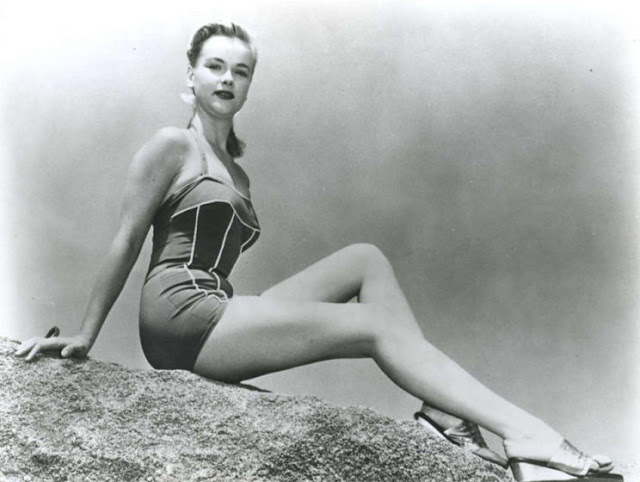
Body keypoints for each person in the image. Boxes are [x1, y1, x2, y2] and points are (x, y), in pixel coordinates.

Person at [15, 22, 622, 482]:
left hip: (218, 309)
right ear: (191, 76)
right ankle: (526, 433)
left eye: (241, 71)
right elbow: (126, 240)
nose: (227, 79)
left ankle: (443, 413)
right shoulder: (172, 146)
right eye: (215, 66)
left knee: (365, 258)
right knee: (372, 325)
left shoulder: (237, 172)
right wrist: (86, 335)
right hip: (180, 315)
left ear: (249, 86)